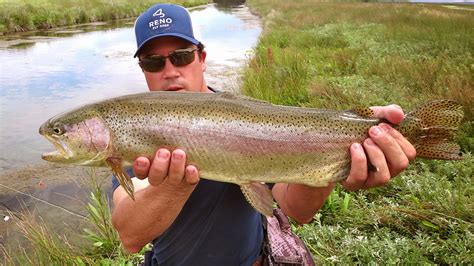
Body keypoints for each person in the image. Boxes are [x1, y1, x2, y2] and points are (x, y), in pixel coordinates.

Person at [111, 3, 416, 265]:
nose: (170, 70)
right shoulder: (134, 131)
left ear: (201, 59)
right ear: (143, 69)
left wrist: (336, 158)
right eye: (153, 61)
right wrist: (175, 185)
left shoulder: (251, 121)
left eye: (181, 56)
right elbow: (130, 236)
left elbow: (297, 209)